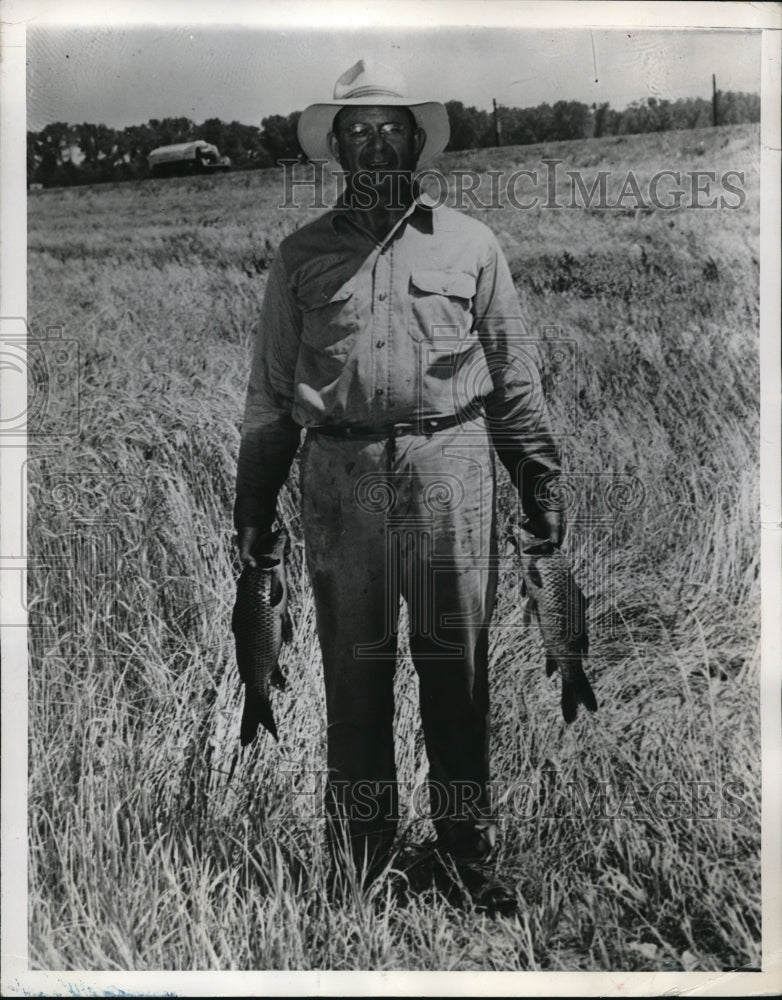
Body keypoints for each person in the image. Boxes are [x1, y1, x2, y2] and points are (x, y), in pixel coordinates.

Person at [234, 59, 564, 913]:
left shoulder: (471, 245)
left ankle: (465, 855)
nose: (375, 144)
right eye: (358, 131)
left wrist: (538, 484)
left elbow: (513, 377)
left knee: (456, 670)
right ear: (338, 147)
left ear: (417, 143)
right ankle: (363, 860)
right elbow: (270, 396)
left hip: (449, 466)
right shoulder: (301, 255)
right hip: (339, 479)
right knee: (355, 676)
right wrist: (254, 507)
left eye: (390, 130)